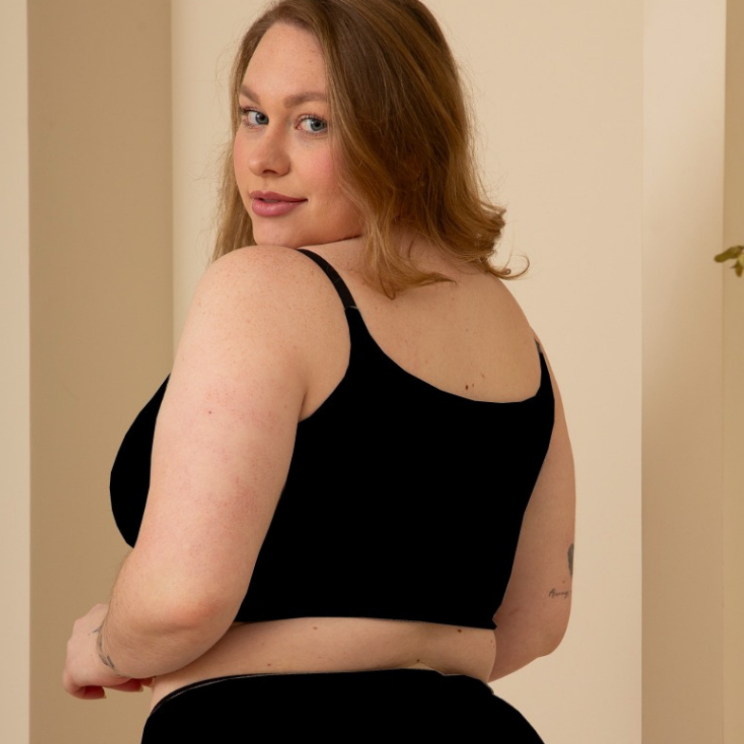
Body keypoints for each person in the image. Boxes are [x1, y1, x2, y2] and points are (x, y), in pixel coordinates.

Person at [63, 0, 575, 740]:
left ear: (405, 144)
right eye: (252, 115)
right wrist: (417, 644)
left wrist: (106, 645)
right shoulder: (511, 328)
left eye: (313, 123)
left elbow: (181, 602)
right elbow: (536, 620)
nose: (263, 157)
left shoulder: (264, 288)